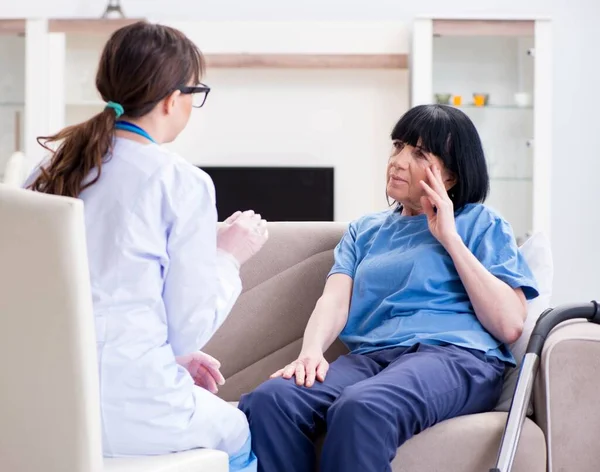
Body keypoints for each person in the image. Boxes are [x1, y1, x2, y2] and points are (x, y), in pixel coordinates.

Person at [238, 104, 539, 472]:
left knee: (363, 407)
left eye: (418, 154)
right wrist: (310, 352)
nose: (397, 161)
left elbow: (509, 324)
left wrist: (449, 237)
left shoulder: (481, 224)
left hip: (457, 358)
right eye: (397, 146)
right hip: (373, 359)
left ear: (450, 177)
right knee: (271, 400)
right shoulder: (365, 231)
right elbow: (334, 300)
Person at [24, 21, 266, 471]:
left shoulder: (45, 170)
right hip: (136, 414)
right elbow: (189, 324)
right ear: (174, 99)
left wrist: (164, 356)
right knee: (239, 432)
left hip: (40, 406)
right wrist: (228, 256)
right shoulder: (181, 182)